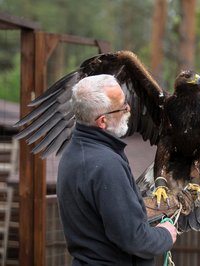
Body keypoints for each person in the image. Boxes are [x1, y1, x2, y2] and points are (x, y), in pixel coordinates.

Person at [57, 74, 177, 266]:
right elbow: (132, 238)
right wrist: (165, 235)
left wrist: (138, 209)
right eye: (121, 107)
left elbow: (102, 216)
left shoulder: (73, 153)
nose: (129, 108)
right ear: (102, 121)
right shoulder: (105, 165)